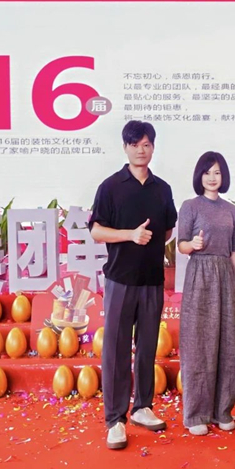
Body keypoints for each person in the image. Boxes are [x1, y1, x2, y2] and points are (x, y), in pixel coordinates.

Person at [89, 121, 178, 450]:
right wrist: (130, 235)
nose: (141, 150)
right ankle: (115, 419)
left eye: (146, 144)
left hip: (152, 280)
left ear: (153, 147)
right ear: (125, 148)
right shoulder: (111, 187)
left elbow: (168, 229)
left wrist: (150, 245)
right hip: (120, 279)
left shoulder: (162, 189)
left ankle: (142, 406)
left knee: (147, 347)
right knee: (116, 349)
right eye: (135, 144)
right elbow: (96, 230)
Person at [177, 152, 235, 436]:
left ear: (223, 176)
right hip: (199, 275)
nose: (212, 177)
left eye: (217, 172)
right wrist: (192, 244)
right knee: (198, 344)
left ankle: (222, 411)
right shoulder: (190, 206)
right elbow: (181, 245)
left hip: (226, 275)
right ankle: (196, 414)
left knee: (228, 344)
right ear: (199, 176)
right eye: (207, 172)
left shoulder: (232, 210)